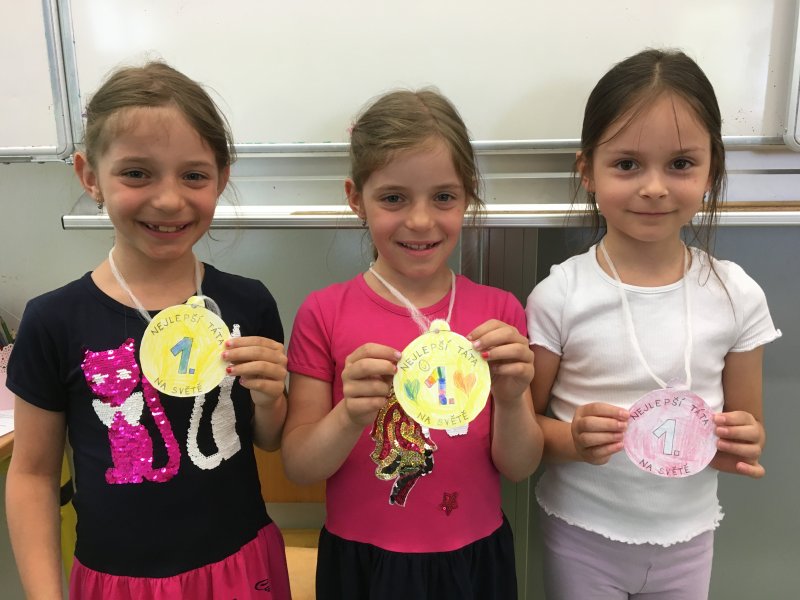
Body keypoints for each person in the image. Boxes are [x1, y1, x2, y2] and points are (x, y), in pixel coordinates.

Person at [5, 62, 292, 600]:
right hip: (119, 580)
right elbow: (33, 476)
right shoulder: (54, 321)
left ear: (221, 177)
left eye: (194, 175)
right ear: (89, 176)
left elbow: (269, 438)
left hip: (239, 566)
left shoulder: (248, 301)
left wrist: (271, 397)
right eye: (137, 173)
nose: (168, 199)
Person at [526, 49, 781, 599]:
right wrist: (572, 438)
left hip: (688, 539)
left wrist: (745, 441)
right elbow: (524, 430)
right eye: (627, 164)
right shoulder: (560, 295)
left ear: (712, 171)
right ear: (587, 171)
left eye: (681, 164)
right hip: (580, 534)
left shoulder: (737, 295)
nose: (655, 187)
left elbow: (744, 434)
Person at [282, 89, 543, 599]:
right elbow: (299, 466)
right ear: (355, 198)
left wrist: (512, 399)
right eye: (393, 198)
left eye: (443, 197)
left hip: (474, 557)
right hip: (363, 561)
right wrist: (348, 416)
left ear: (467, 196)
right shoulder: (324, 312)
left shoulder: (501, 312)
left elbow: (520, 467)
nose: (421, 220)